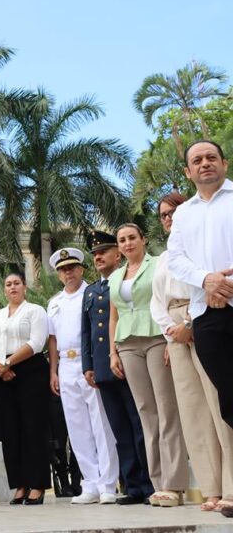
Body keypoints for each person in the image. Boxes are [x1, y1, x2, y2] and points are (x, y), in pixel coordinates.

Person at [153, 190, 233, 513]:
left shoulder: (200, 248)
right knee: (193, 412)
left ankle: (231, 485)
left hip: (202, 317)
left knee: (219, 404)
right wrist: (170, 330)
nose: (169, 218)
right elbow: (157, 301)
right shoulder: (164, 258)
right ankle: (211, 488)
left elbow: (208, 283)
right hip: (174, 331)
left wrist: (188, 324)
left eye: (173, 211)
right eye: (163, 215)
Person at [109, 223, 189, 508]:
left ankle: (174, 484)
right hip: (127, 343)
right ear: (118, 247)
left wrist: (170, 341)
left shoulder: (158, 264)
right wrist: (112, 352)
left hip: (156, 336)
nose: (127, 243)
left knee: (167, 410)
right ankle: (158, 484)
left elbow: (165, 301)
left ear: (143, 239)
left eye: (132, 237)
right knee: (146, 412)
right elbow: (114, 316)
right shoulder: (115, 276)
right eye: (122, 240)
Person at [82, 230, 154, 505]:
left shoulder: (126, 281)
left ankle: (150, 484)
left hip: (127, 357)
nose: (98, 257)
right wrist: (88, 365)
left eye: (104, 251)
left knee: (139, 424)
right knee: (120, 430)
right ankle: (132, 485)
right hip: (103, 366)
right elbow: (87, 331)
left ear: (117, 254)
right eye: (95, 254)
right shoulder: (91, 290)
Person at [47, 248, 118, 505]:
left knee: (101, 425)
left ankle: (108, 484)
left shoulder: (92, 293)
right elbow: (52, 339)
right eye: (63, 269)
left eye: (72, 268)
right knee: (77, 428)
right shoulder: (54, 302)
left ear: (81, 269)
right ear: (58, 274)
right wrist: (53, 370)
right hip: (65, 364)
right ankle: (90, 483)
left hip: (89, 361)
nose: (68, 273)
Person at [0, 272, 51, 505]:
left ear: (25, 287)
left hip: (29, 369)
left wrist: (8, 363)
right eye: (8, 284)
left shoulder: (35, 311)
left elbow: (37, 342)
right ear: (4, 289)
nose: (12, 287)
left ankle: (38, 484)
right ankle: (20, 484)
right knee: (9, 430)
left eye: (16, 283)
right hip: (1, 373)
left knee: (33, 428)